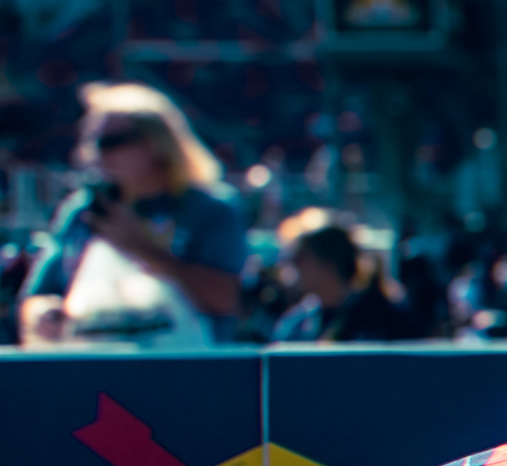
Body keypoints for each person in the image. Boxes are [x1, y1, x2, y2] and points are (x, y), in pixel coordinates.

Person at [16, 82, 249, 348]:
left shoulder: (209, 209)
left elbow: (225, 300)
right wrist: (42, 313)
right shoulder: (83, 210)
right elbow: (37, 295)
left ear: (156, 144)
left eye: (111, 142)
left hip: (185, 365)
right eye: (91, 141)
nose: (96, 153)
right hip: (89, 364)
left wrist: (138, 248)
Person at [266, 213, 425, 344]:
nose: (292, 265)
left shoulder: (385, 319)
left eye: (300, 257)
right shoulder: (296, 325)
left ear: (328, 262)